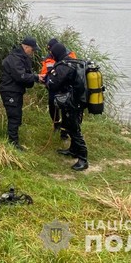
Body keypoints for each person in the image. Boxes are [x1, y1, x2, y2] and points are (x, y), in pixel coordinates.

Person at [46, 42, 89, 171]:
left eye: (53, 54)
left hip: (72, 103)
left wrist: (48, 81)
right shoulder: (72, 62)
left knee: (74, 129)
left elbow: (53, 84)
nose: (52, 56)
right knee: (69, 126)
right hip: (74, 101)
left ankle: (83, 158)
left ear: (57, 53)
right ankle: (73, 150)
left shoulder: (64, 66)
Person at [0, 37, 44, 150]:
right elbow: (20, 76)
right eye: (32, 50)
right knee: (14, 116)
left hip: (15, 90)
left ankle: (14, 140)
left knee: (16, 115)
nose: (33, 52)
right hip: (9, 91)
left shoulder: (21, 57)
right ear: (26, 47)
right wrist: (36, 77)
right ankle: (13, 144)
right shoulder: (15, 59)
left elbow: (25, 74)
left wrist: (37, 78)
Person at [40, 38, 77, 140]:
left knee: (66, 110)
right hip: (53, 86)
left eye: (52, 50)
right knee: (53, 107)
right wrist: (46, 80)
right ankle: (57, 125)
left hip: (66, 88)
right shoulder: (48, 59)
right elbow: (44, 72)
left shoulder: (70, 56)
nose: (51, 52)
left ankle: (64, 132)